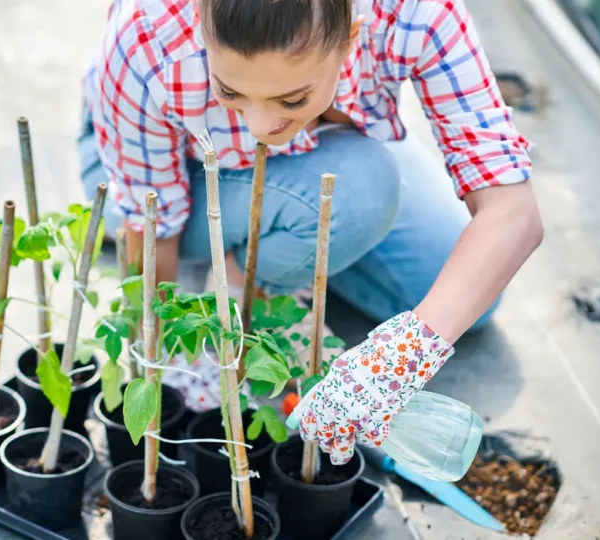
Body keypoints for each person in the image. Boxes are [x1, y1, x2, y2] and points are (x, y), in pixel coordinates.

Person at [78, 0, 543, 464]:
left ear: (351, 39)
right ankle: (263, 274)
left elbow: (513, 213)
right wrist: (169, 343)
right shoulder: (148, 33)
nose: (260, 126)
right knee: (361, 187)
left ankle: (293, 244)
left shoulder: (417, 12)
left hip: (333, 150)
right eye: (229, 90)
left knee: (463, 296)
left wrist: (395, 362)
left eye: (292, 98)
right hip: (178, 167)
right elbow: (150, 220)